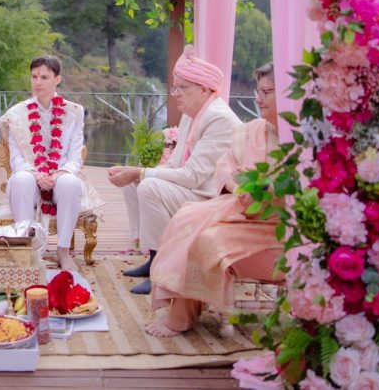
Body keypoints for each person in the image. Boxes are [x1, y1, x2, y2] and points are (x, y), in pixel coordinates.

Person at [147, 63, 283, 336]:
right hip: (240, 210)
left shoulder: (306, 140)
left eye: (266, 92)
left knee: (206, 237)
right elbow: (225, 166)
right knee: (188, 218)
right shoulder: (252, 130)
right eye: (258, 92)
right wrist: (238, 185)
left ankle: (183, 314)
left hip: (277, 226)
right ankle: (183, 307)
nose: (258, 99)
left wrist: (266, 188)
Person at [107, 45, 240, 294]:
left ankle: (164, 269)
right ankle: (153, 257)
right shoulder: (193, 113)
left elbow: (192, 176)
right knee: (135, 184)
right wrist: (136, 173)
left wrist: (140, 172)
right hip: (195, 189)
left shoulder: (219, 118)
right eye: (175, 87)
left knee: (148, 186)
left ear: (204, 89)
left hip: (212, 198)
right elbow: (174, 164)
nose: (176, 94)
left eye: (182, 88)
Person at [0, 55, 102, 273]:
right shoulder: (16, 114)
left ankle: (63, 250)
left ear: (57, 79)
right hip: (30, 177)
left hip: (60, 176)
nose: (38, 82)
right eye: (34, 76)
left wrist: (57, 175)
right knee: (21, 179)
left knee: (70, 183)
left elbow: (75, 156)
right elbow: (16, 158)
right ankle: (26, 248)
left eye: (44, 77)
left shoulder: (73, 111)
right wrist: (37, 175)